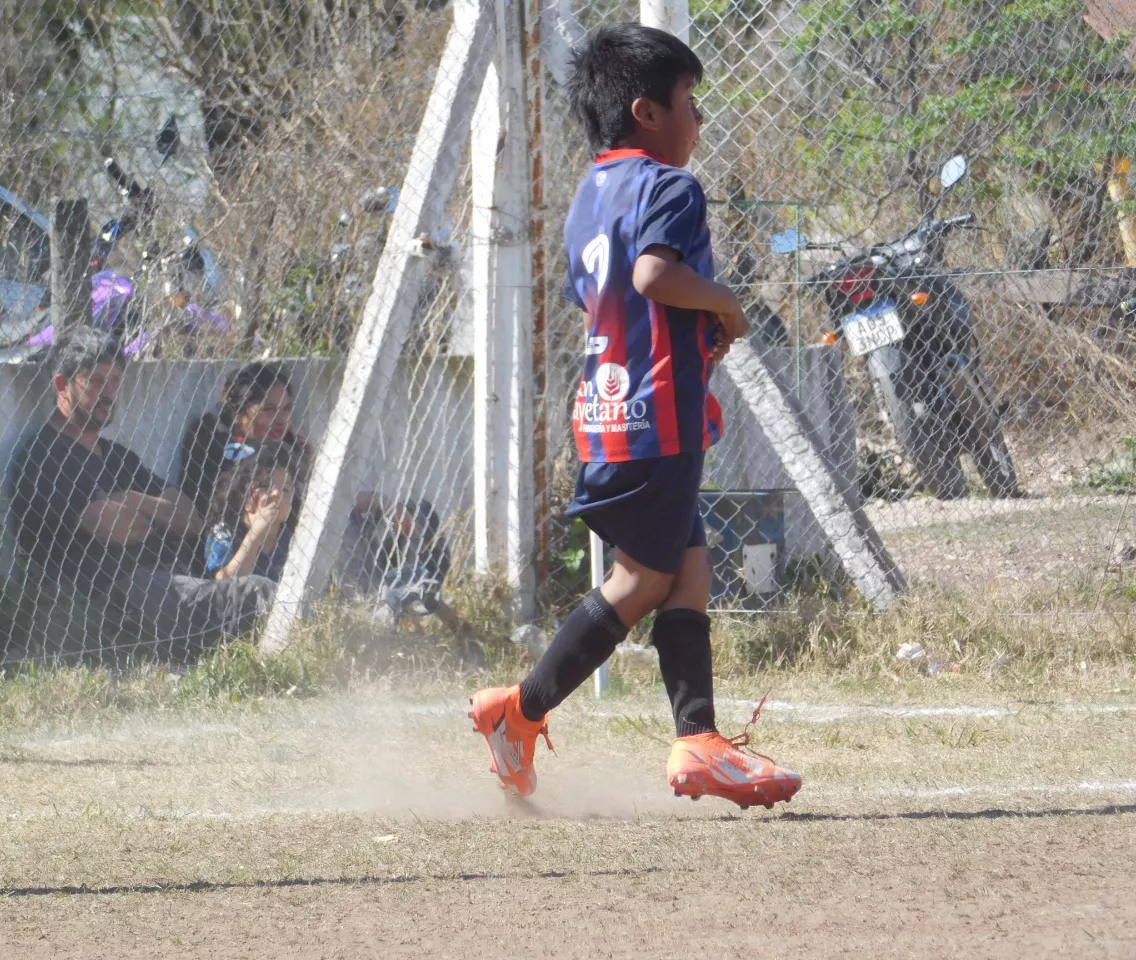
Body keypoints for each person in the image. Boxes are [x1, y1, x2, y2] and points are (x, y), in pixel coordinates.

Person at [467, 23, 802, 809]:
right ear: (648, 112)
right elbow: (655, 277)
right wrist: (723, 302)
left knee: (687, 568)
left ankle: (698, 742)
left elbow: (608, 295)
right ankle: (516, 712)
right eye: (690, 101)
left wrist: (691, 330)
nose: (698, 119)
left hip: (609, 409)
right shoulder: (671, 187)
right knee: (646, 578)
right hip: (657, 416)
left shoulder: (591, 193)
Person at [10, 327, 274, 658]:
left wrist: (131, 499)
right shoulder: (46, 457)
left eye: (116, 382)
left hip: (169, 578)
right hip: (117, 594)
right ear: (62, 385)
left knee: (267, 581)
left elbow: (190, 518)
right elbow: (120, 528)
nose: (109, 393)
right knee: (259, 596)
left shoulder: (118, 456)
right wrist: (150, 512)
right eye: (95, 381)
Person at [181, 363, 451, 594]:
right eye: (268, 410)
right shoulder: (228, 452)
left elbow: (321, 492)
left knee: (420, 514)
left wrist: (381, 503)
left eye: (286, 410)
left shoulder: (286, 447)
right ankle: (391, 594)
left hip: (329, 525)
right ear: (241, 413)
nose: (281, 420)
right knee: (383, 534)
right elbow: (305, 503)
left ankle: (420, 592)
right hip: (287, 540)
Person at [198, 444, 295, 581]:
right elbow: (224, 582)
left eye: (285, 490)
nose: (276, 494)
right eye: (266, 486)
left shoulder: (292, 540)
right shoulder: (224, 531)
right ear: (245, 494)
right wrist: (255, 533)